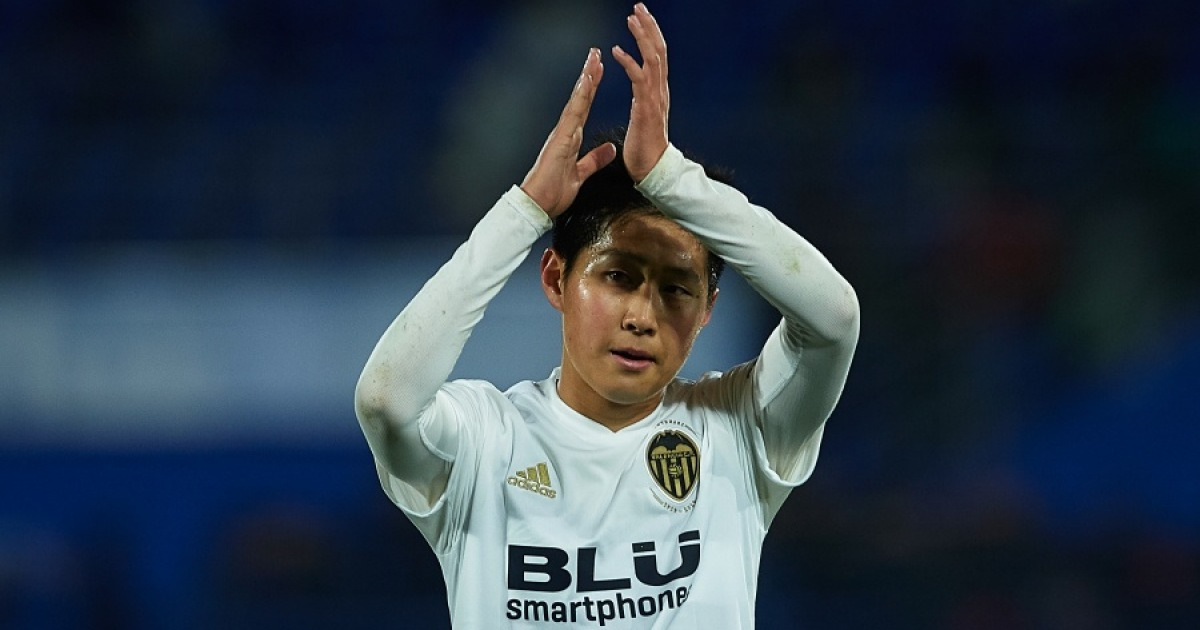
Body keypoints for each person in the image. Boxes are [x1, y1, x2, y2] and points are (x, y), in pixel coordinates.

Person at [354, 3, 859, 627]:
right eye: (618, 277)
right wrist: (525, 212)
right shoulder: (485, 440)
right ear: (556, 278)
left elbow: (833, 319)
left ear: (707, 310)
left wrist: (672, 179)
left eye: (676, 290)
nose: (643, 317)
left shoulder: (738, 428)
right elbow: (385, 401)